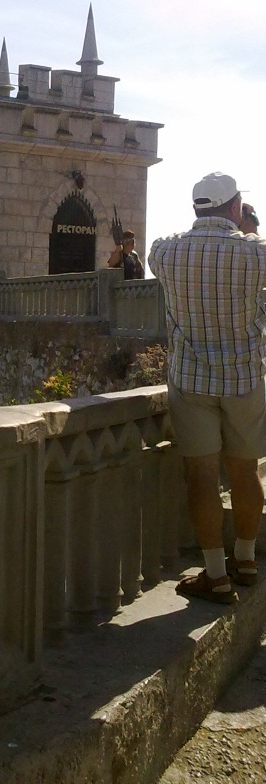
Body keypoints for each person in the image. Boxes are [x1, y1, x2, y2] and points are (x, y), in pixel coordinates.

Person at [149, 172, 266, 605]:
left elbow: (156, 252)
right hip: (245, 379)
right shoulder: (256, 252)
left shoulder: (165, 251)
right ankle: (246, 560)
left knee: (200, 476)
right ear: (235, 207)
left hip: (191, 379)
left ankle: (216, 575)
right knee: (245, 472)